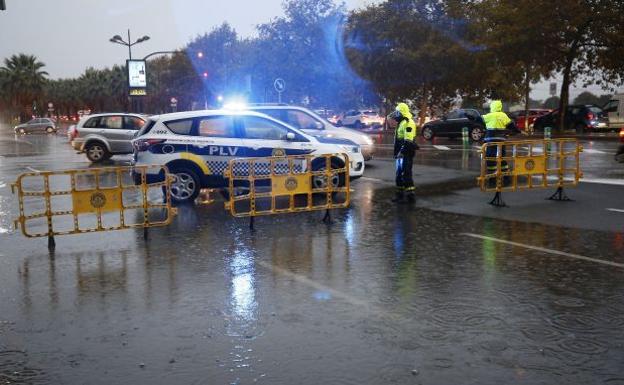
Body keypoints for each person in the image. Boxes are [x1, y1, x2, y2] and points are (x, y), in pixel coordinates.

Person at [482, 100, 515, 187]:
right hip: (501, 140)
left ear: (492, 107)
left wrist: (471, 117)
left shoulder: (490, 115)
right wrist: (517, 130)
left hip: (491, 141)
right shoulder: (503, 115)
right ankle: (506, 177)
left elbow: (479, 119)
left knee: (490, 158)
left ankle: (492, 178)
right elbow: (511, 125)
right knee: (501, 157)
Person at [389, 102, 418, 202]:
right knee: (399, 174)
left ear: (402, 113)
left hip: (406, 153)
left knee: (406, 173)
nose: (396, 114)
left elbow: (408, 140)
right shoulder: (401, 122)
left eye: (397, 112)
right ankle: (399, 195)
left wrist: (401, 152)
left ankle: (410, 196)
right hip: (400, 153)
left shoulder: (408, 122)